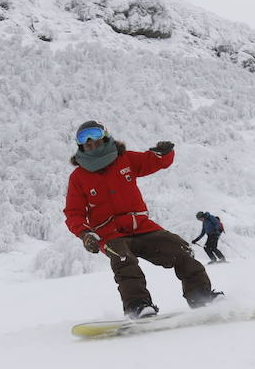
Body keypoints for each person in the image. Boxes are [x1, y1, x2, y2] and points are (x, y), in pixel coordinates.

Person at [63, 120, 221, 318]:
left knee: (181, 249)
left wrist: (164, 153)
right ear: (80, 145)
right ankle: (138, 306)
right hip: (110, 235)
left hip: (143, 228)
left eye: (95, 135)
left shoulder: (125, 159)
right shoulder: (78, 177)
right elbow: (74, 212)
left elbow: (153, 162)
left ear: (104, 137)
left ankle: (201, 296)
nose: (91, 142)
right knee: (124, 259)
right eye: (84, 139)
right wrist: (85, 234)